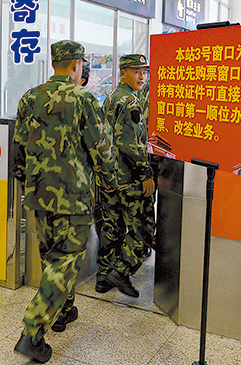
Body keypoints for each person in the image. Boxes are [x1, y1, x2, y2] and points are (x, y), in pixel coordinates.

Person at [12, 40, 117, 363]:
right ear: (76, 65)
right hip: (74, 197)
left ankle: (62, 311)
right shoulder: (84, 99)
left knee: (52, 257)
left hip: (39, 195)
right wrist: (111, 183)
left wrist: (27, 183)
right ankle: (32, 332)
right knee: (65, 261)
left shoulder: (30, 98)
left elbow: (18, 149)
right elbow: (101, 148)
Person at [96, 54, 155, 299]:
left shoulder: (111, 97)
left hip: (111, 176)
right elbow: (131, 144)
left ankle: (102, 278)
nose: (142, 77)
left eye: (144, 72)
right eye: (136, 72)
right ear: (123, 73)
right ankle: (121, 272)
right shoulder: (131, 102)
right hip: (130, 178)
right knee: (144, 230)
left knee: (112, 227)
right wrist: (146, 173)